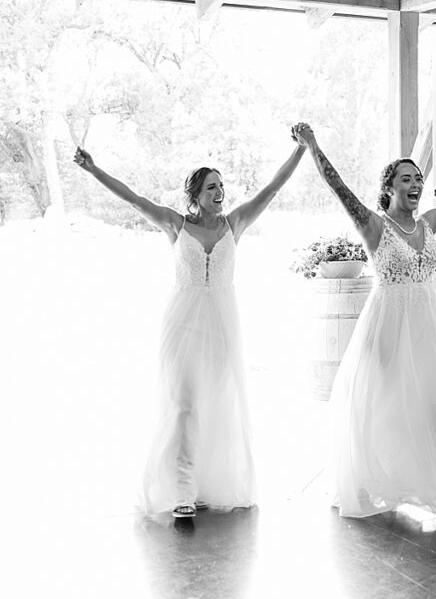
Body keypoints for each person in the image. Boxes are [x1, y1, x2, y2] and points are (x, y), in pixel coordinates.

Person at [73, 135, 307, 518]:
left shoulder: (236, 223)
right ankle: (182, 491)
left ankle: (210, 484)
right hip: (182, 323)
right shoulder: (175, 224)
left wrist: (300, 150)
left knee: (217, 402)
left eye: (221, 186)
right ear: (195, 195)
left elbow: (273, 188)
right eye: (211, 186)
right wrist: (94, 168)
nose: (220, 192)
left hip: (222, 325)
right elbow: (133, 199)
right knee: (183, 406)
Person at [292, 121, 436, 523]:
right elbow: (338, 187)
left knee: (434, 406)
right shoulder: (374, 226)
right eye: (406, 179)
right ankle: (377, 481)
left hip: (424, 329)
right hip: (385, 328)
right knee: (387, 410)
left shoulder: (429, 223)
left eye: (418, 178)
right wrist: (312, 145)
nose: (415, 183)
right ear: (390, 188)